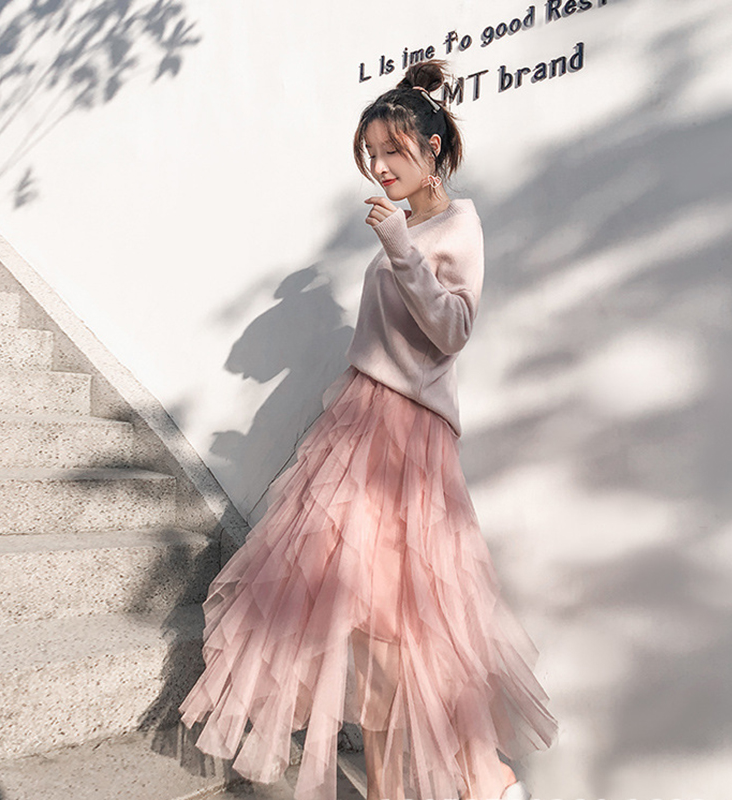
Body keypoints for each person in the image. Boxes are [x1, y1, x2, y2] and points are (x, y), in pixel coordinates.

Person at [179, 59, 557, 800]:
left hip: (407, 436)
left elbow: (453, 331)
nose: (380, 167)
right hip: (359, 419)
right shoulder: (407, 224)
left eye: (393, 151)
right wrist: (400, 243)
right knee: (363, 624)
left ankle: (486, 775)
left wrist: (402, 250)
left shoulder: (457, 225)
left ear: (434, 149)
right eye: (371, 153)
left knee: (402, 621)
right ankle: (405, 787)